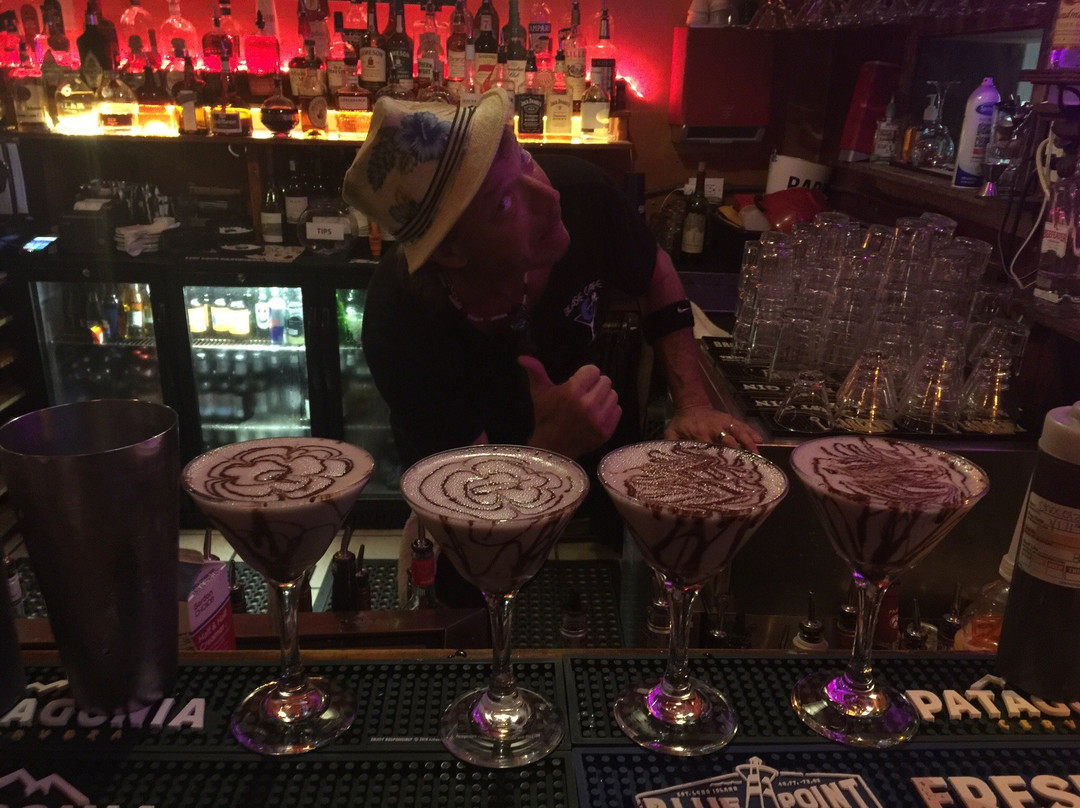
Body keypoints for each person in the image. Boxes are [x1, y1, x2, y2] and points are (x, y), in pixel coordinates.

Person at [343, 89, 762, 603]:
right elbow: (473, 516)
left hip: (578, 455)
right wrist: (551, 447)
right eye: (503, 202)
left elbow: (656, 274)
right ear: (450, 251)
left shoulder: (585, 191)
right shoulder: (400, 322)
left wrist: (692, 401)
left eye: (523, 157)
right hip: (469, 498)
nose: (547, 197)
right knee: (475, 599)